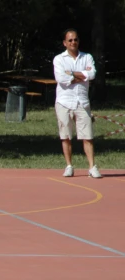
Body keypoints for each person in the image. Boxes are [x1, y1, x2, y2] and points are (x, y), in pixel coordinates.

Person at [52, 29, 102, 179]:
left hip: (82, 101)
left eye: (75, 40)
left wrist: (72, 73)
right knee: (66, 136)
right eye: (70, 40)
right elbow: (61, 78)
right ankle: (69, 166)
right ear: (65, 43)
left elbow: (92, 74)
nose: (73, 42)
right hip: (64, 101)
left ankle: (92, 167)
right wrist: (81, 75)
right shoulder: (59, 59)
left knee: (88, 136)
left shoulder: (87, 57)